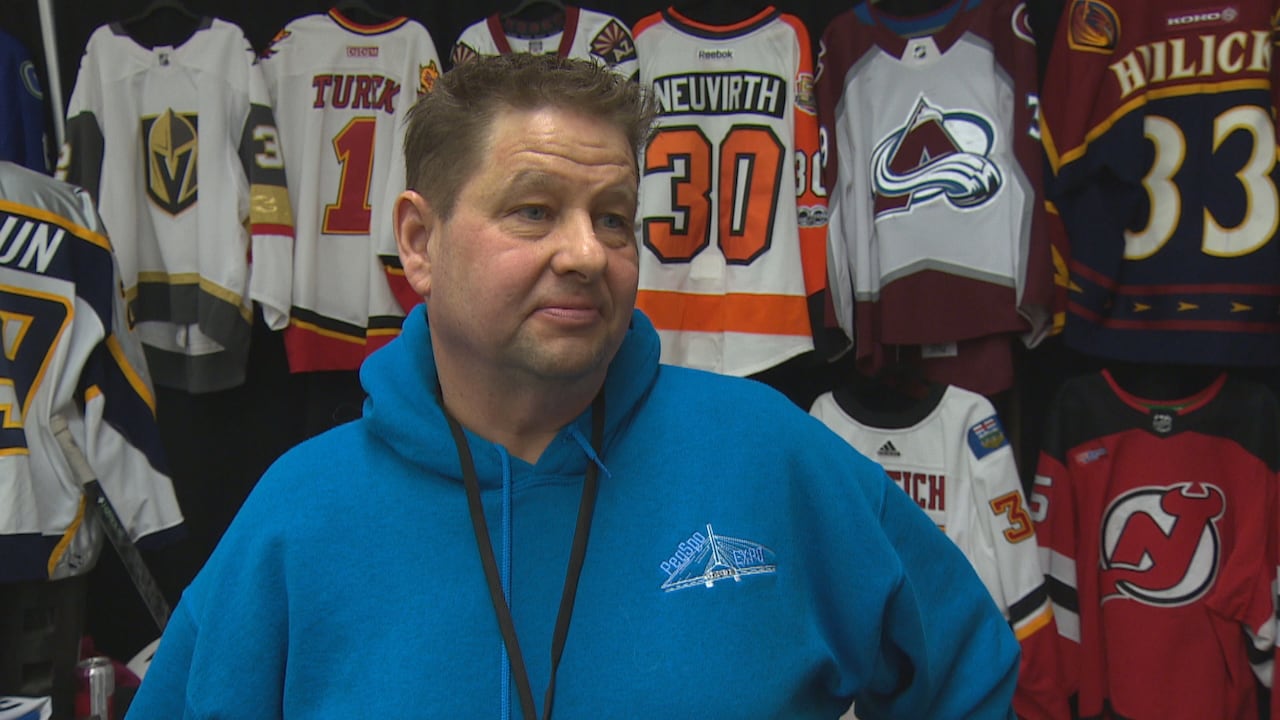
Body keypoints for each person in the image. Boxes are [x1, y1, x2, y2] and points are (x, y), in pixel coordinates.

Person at [125, 53, 1019, 719]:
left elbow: (969, 668)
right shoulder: (300, 518)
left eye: (615, 218)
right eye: (534, 210)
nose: (588, 253)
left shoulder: (770, 456)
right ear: (420, 242)